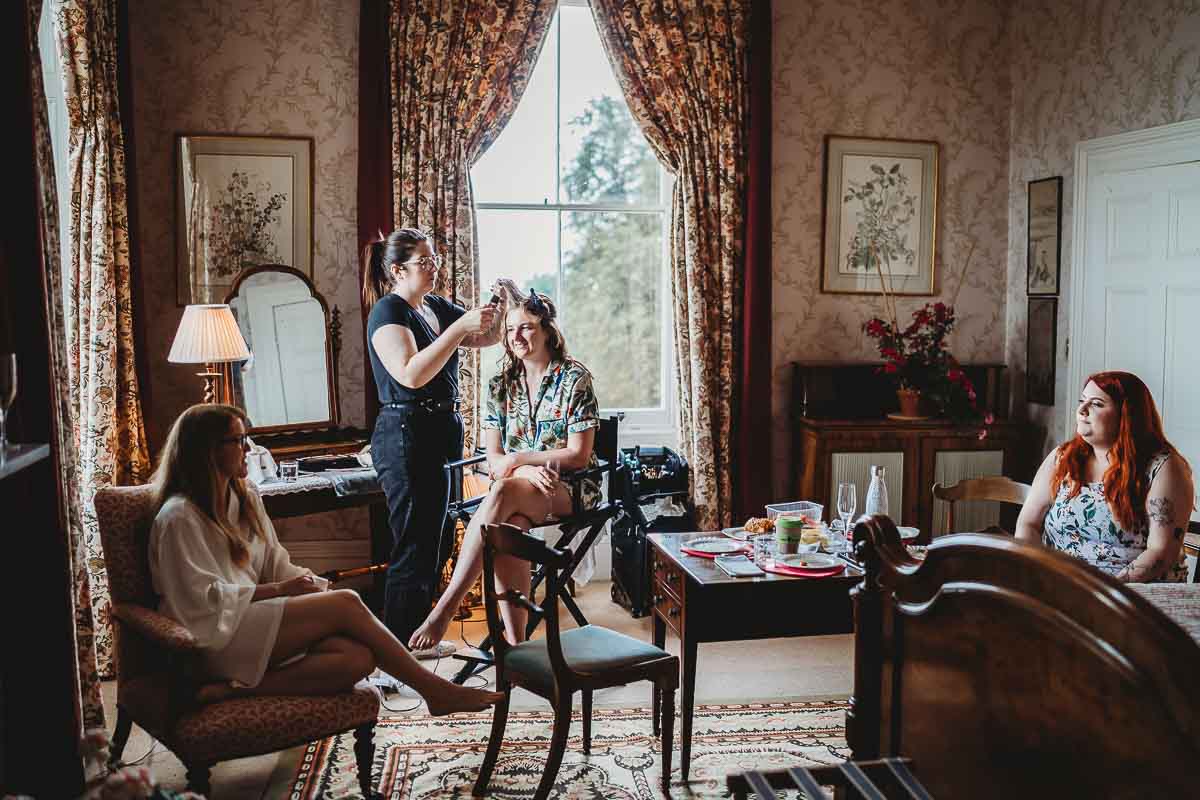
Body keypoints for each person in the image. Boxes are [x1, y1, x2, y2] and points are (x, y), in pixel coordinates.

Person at [148, 403, 503, 713]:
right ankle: (436, 691)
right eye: (238, 441)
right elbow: (198, 600)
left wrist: (312, 589)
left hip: (248, 623)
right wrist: (282, 592)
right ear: (207, 450)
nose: (248, 449)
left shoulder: (245, 498)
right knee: (347, 603)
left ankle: (231, 691)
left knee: (357, 659)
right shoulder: (179, 517)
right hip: (212, 638)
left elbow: (276, 563)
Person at [409, 290, 602, 650]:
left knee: (500, 492)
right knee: (511, 528)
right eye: (511, 329)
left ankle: (445, 607)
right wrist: (520, 470)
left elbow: (577, 454)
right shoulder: (499, 384)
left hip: (573, 486)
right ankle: (516, 649)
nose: (516, 337)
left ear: (547, 330)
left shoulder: (574, 379)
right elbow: (494, 459)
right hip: (522, 487)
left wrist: (519, 462)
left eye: (526, 328)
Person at [363, 228, 507, 649]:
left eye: (436, 259)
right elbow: (410, 373)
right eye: (424, 261)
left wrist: (496, 307)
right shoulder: (388, 312)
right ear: (397, 269)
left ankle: (414, 637)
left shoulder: (434, 307)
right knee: (414, 542)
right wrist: (458, 327)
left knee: (441, 536)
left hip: (442, 431)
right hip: (406, 434)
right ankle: (393, 653)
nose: (435, 266)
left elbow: (487, 337)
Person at [1015, 371, 1195, 582]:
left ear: (1127, 415)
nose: (1082, 410)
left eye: (1097, 404)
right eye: (1082, 401)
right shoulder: (1062, 458)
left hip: (1131, 595)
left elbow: (1160, 552)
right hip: (1061, 588)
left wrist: (1103, 595)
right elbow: (1028, 524)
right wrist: (1037, 575)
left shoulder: (1165, 468)